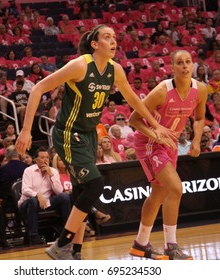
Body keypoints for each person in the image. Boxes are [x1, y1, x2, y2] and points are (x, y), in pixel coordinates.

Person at [15, 24, 174, 260]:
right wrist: (26, 131)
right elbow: (38, 88)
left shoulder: (115, 69)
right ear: (94, 44)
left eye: (114, 38)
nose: (113, 42)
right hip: (69, 133)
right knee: (94, 186)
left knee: (80, 191)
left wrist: (154, 123)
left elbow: (132, 99)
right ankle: (61, 244)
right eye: (107, 37)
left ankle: (75, 253)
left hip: (89, 135)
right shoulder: (81, 65)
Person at [129, 50, 207, 260]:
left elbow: (199, 119)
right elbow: (133, 120)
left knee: (159, 194)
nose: (184, 66)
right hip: (149, 142)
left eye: (188, 62)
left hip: (170, 143)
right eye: (179, 63)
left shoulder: (200, 89)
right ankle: (170, 246)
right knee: (175, 188)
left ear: (193, 65)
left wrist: (197, 140)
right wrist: (156, 134)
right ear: (172, 67)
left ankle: (141, 243)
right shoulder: (162, 91)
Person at [18, 148, 71, 244]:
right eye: (42, 157)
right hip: (28, 202)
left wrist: (51, 175)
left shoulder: (53, 171)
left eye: (47, 157)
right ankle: (34, 236)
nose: (45, 160)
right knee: (34, 201)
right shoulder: (28, 170)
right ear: (36, 159)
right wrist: (37, 195)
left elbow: (59, 191)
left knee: (64, 197)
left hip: (46, 202)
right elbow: (25, 190)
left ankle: (67, 231)